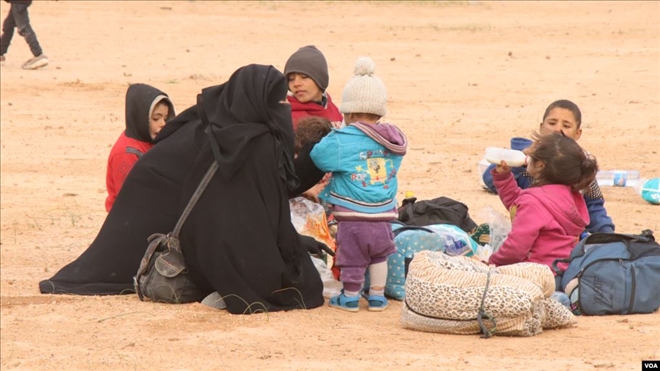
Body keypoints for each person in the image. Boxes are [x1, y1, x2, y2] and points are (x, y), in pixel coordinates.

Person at [40, 64, 326, 314]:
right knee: (298, 284)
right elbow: (262, 206)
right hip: (172, 215)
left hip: (182, 226)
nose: (282, 107)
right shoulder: (250, 141)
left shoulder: (212, 126)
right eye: (277, 100)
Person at [310, 57, 408, 312]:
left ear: (349, 112)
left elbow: (318, 156)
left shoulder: (344, 139)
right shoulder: (391, 137)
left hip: (353, 215)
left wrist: (335, 133)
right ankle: (377, 296)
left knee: (351, 257)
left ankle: (350, 296)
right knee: (379, 255)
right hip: (384, 213)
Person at [482, 99, 615, 234]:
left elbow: (594, 205)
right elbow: (490, 180)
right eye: (552, 123)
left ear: (577, 133)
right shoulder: (530, 161)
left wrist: (606, 234)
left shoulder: (579, 164)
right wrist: (521, 160)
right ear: (541, 126)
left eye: (566, 126)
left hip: (565, 235)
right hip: (529, 228)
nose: (557, 129)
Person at [488, 132, 598, 273]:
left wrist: (493, 263)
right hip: (561, 271)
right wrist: (503, 177)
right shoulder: (569, 196)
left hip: (534, 273)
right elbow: (519, 207)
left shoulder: (534, 201)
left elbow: (516, 247)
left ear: (540, 165)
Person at [105, 83, 175, 212]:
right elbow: (129, 199)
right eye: (156, 118)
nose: (163, 124)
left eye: (165, 118)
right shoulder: (127, 153)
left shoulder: (150, 141)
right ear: (140, 118)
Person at [284, 45, 342, 130]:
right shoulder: (287, 116)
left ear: (320, 79)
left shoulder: (334, 110)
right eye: (291, 79)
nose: (296, 83)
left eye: (304, 77)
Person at [0, 0, 48, 69]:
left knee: (23, 27)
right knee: (8, 25)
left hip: (19, 2)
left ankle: (38, 54)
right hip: (18, 2)